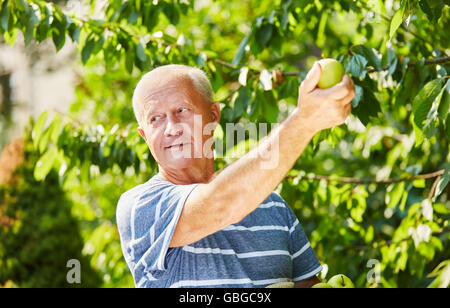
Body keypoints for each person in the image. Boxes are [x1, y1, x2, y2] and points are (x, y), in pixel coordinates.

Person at [116, 63, 355, 288]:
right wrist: (305, 120)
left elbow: (308, 283)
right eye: (155, 119)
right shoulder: (140, 206)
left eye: (182, 110)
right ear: (144, 135)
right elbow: (221, 203)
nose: (171, 128)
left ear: (213, 114)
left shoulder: (273, 205)